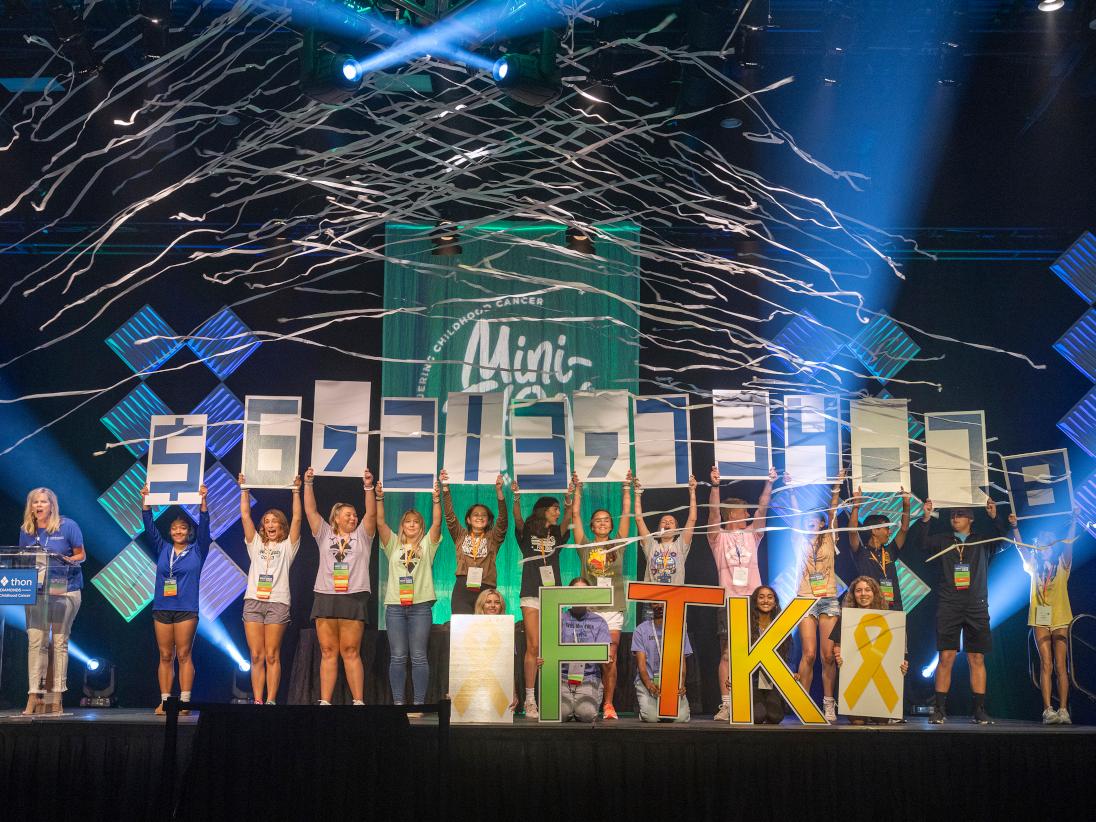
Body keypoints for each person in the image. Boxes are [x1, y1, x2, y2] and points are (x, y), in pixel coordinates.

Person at [914, 497, 1006, 724]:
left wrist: (995, 517)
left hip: (976, 604)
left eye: (960, 514)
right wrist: (926, 517)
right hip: (949, 604)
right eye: (953, 515)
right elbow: (921, 544)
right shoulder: (944, 539)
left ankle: (979, 710)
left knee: (976, 657)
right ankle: (940, 709)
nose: (955, 518)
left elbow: (1003, 540)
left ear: (971, 519)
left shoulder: (982, 540)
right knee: (946, 656)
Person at [302, 466, 376, 705]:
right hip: (325, 596)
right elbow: (310, 511)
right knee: (328, 652)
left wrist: (368, 487)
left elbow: (372, 515)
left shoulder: (363, 535)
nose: (353, 518)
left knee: (351, 651)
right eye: (348, 515)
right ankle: (325, 702)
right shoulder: (324, 534)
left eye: (355, 515)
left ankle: (358, 701)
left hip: (353, 597)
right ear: (335, 517)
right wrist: (309, 484)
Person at [708, 463, 776, 721]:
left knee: (759, 651)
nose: (746, 513)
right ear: (730, 514)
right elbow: (713, 514)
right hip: (728, 601)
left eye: (746, 510)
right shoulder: (718, 537)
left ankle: (757, 700)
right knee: (727, 653)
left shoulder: (752, 534)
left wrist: (769, 483)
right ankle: (726, 703)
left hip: (754, 602)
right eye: (740, 511)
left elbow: (763, 508)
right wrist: (715, 486)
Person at [141, 483, 210, 715]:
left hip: (186, 609)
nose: (178, 532)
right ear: (170, 532)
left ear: (189, 531)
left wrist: (203, 503)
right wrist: (146, 503)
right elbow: (149, 528)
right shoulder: (162, 549)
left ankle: (185, 701)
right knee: (165, 655)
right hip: (161, 607)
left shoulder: (199, 549)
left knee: (183, 654)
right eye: (174, 529)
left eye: (182, 528)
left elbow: (205, 528)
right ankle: (165, 701)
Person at [17, 488, 86, 715]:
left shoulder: (68, 526)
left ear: (52, 505)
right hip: (36, 592)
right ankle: (33, 696)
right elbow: (22, 559)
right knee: (36, 642)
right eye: (35, 502)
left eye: (43, 502)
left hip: (64, 590)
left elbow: (81, 555)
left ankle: (57, 696)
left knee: (59, 642)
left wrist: (65, 560)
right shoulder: (26, 530)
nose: (39, 506)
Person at [571, 470, 632, 720]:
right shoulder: (585, 544)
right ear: (592, 525)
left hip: (613, 608)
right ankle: (581, 699)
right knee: (585, 657)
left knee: (610, 656)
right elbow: (574, 514)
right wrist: (578, 490)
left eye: (607, 520)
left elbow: (627, 513)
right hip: (590, 609)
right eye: (598, 520)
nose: (603, 523)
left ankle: (608, 704)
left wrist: (626, 488)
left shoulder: (619, 542)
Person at [376, 478, 442, 708]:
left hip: (420, 607)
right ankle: (398, 704)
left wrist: (436, 499)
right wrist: (380, 498)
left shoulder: (427, 545)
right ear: (402, 525)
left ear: (420, 526)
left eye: (415, 522)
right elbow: (380, 522)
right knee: (397, 657)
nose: (412, 525)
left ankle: (418, 705)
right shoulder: (393, 544)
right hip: (395, 607)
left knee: (419, 657)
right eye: (407, 522)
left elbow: (437, 523)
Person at [513, 478, 575, 720]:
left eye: (558, 508)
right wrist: (516, 497)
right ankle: (530, 698)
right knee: (533, 646)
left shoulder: (557, 534)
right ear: (542, 511)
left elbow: (569, 516)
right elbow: (518, 519)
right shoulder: (527, 532)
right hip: (531, 592)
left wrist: (569, 498)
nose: (558, 512)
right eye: (554, 508)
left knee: (551, 647)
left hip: (553, 593)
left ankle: (551, 695)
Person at [238, 473, 302, 705]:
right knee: (256, 655)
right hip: (253, 600)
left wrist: (296, 491)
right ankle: (258, 700)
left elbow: (297, 519)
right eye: (267, 521)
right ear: (263, 526)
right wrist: (244, 488)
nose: (271, 524)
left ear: (280, 525)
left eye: (275, 521)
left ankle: (272, 700)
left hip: (278, 602)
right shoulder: (255, 543)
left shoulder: (288, 547)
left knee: (272, 655)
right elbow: (245, 515)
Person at [789, 468, 845, 723]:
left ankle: (828, 704)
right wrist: (790, 489)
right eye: (808, 520)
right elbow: (794, 514)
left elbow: (833, 511)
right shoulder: (799, 539)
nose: (811, 522)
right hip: (804, 600)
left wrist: (837, 485)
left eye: (816, 520)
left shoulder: (829, 538)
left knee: (827, 656)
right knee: (808, 654)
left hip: (829, 599)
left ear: (822, 523)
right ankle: (803, 702)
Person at [1011, 512, 1076, 724]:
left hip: (1060, 618)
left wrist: (1073, 523)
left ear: (1053, 546)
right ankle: (1048, 709)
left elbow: (1069, 545)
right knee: (1046, 664)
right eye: (1041, 544)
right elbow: (1021, 549)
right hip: (1040, 619)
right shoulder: (1033, 567)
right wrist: (1015, 527)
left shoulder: (1063, 565)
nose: (1044, 547)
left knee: (1061, 665)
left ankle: (1064, 709)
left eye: (1048, 544)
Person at [832, 576, 909, 725]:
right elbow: (837, 646)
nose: (863, 594)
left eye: (867, 590)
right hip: (856, 679)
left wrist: (903, 664)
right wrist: (839, 656)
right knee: (858, 722)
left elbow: (899, 651)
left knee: (882, 721)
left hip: (880, 681)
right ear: (853, 595)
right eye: (858, 590)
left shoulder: (890, 618)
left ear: (875, 593)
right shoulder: (845, 619)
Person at [439, 469, 508, 615]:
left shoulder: (493, 538)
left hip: (486, 589)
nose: (480, 517)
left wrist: (499, 492)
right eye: (475, 515)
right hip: (462, 588)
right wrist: (445, 488)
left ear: (489, 520)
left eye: (484, 515)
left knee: (485, 631)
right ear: (469, 519)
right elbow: (450, 517)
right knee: (463, 630)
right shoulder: (460, 534)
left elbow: (503, 521)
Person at [550, 577, 611, 723]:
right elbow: (549, 650)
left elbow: (605, 654)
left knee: (586, 714)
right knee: (561, 714)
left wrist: (606, 656)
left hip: (588, 677)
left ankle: (577, 706)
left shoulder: (599, 621)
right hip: (563, 677)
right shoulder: (558, 619)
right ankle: (570, 706)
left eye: (583, 591)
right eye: (575, 591)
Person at [847, 487, 912, 611]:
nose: (889, 532)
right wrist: (856, 506)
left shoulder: (890, 550)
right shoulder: (861, 552)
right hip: (870, 607)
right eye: (886, 528)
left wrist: (906, 504)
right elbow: (852, 531)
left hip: (893, 605)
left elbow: (904, 529)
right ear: (874, 530)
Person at [632, 602, 692, 722]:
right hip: (649, 682)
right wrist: (649, 685)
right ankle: (646, 711)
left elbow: (682, 662)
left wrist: (681, 684)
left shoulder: (678, 628)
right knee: (652, 718)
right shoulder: (641, 629)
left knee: (681, 719)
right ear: (650, 605)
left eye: (663, 602)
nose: (659, 606)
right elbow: (641, 666)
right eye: (655, 603)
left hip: (671, 683)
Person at [635, 473, 698, 585]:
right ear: (659, 529)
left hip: (674, 596)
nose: (667, 523)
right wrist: (637, 494)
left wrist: (692, 492)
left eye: (671, 522)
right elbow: (639, 520)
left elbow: (692, 519)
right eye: (664, 522)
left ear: (677, 530)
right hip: (652, 596)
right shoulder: (651, 545)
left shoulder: (680, 545)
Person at [750, 585, 791, 725]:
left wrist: (791, 672)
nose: (765, 601)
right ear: (755, 601)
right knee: (757, 717)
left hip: (771, 680)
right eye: (761, 597)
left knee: (775, 717)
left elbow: (788, 652)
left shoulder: (781, 625)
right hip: (753, 680)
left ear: (775, 602)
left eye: (769, 597)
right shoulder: (747, 624)